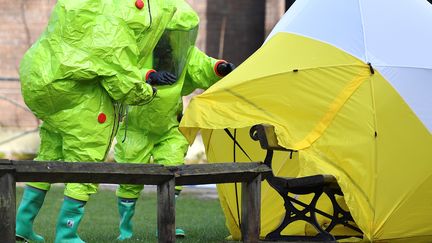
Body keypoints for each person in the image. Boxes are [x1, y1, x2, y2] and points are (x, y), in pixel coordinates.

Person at [16, 0, 180, 242]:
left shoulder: (87, 8)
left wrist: (146, 74)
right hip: (81, 99)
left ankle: (22, 224)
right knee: (85, 163)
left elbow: (92, 58)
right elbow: (121, 82)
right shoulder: (117, 27)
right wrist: (149, 91)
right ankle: (66, 233)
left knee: (48, 156)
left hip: (43, 84)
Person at [113, 0, 235, 240]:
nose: (172, 40)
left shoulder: (183, 53)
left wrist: (221, 68)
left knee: (173, 171)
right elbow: (123, 71)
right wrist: (149, 75)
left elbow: (202, 65)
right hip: (137, 127)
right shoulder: (139, 48)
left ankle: (166, 226)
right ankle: (125, 230)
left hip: (169, 125)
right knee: (130, 176)